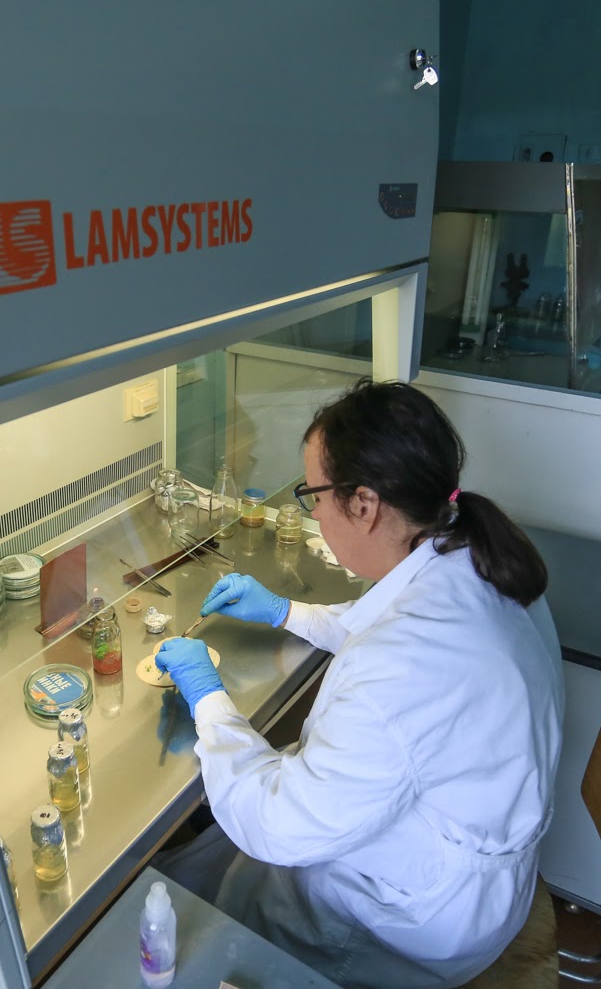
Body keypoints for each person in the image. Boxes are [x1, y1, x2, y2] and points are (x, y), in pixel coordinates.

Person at [155, 379, 565, 988]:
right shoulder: (472, 554)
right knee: (208, 861)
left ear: (365, 504)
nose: (313, 513)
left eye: (313, 496)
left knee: (196, 927)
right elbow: (385, 625)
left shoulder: (405, 667)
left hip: (401, 924)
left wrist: (208, 698)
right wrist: (287, 612)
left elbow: (277, 825)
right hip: (460, 866)